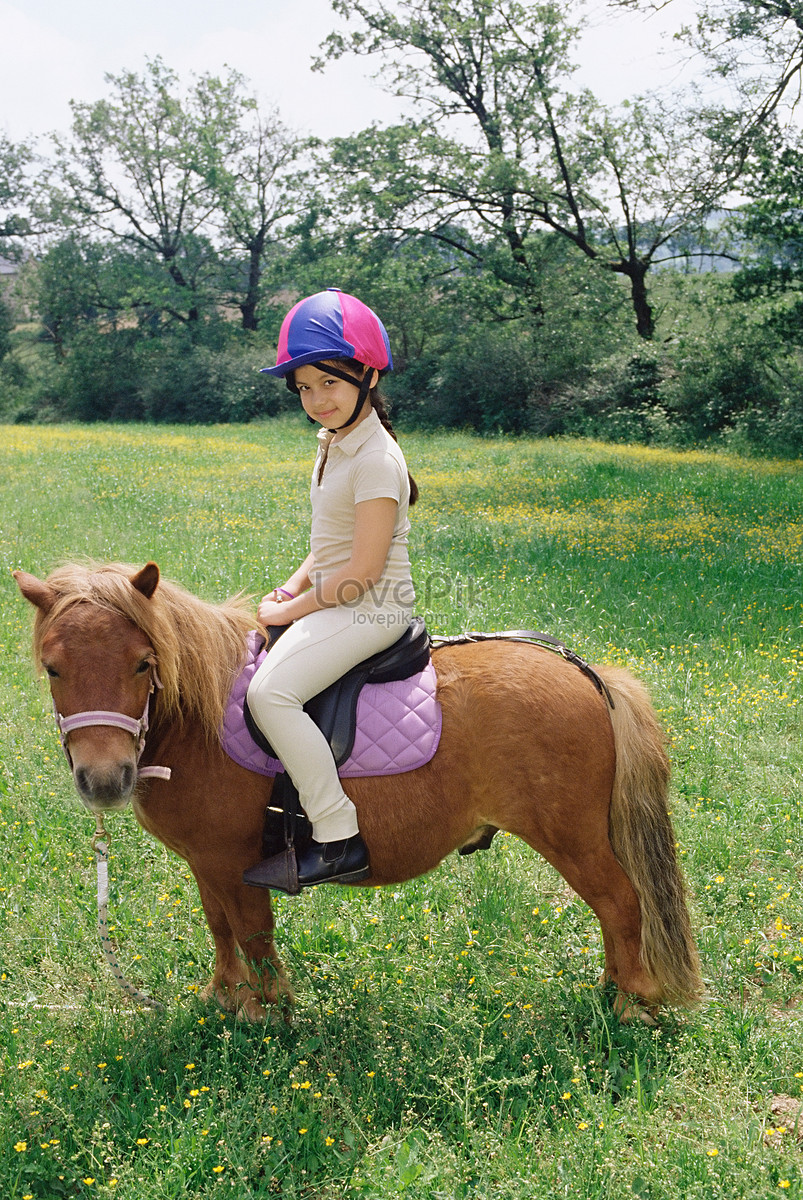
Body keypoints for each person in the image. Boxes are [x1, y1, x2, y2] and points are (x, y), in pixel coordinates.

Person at [242, 288, 418, 891]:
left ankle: (338, 836)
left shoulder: (375, 459)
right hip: (340, 598)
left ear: (367, 374)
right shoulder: (333, 444)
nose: (316, 400)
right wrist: (289, 586)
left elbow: (363, 571)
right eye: (304, 389)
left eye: (329, 383)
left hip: (372, 608)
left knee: (272, 695)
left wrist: (296, 606)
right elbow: (331, 542)